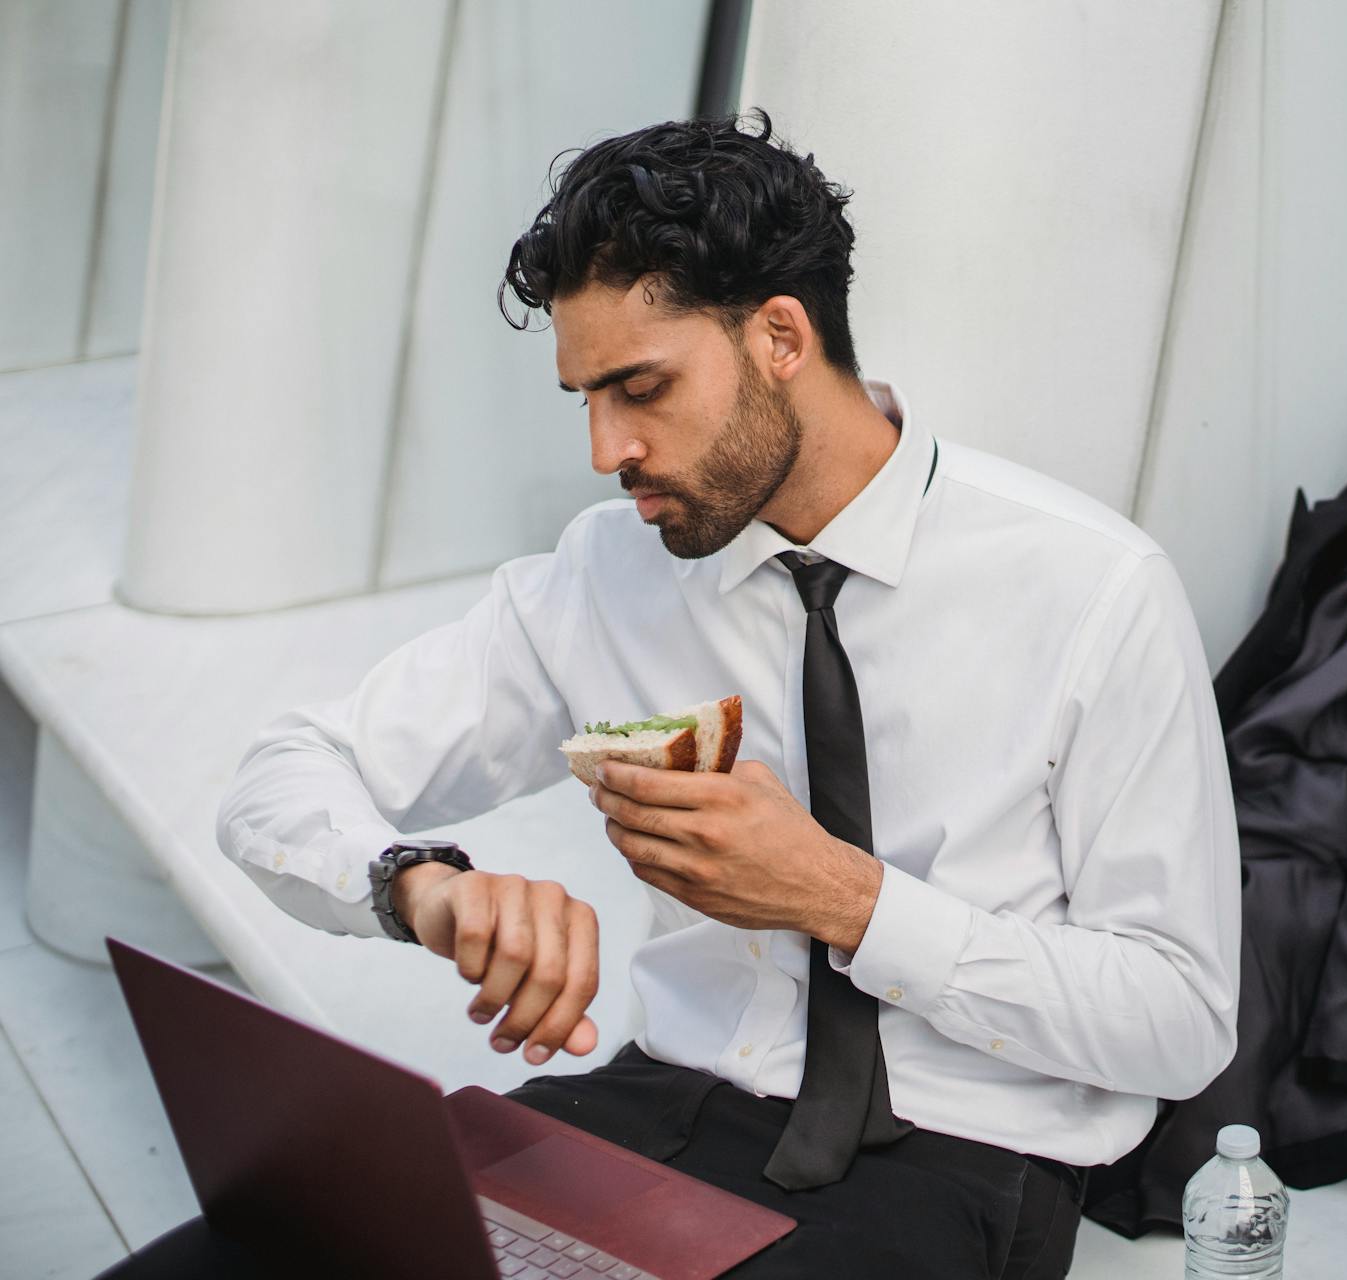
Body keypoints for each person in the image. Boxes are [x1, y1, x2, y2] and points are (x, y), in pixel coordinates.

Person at [214, 109, 1240, 1279]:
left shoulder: (1094, 589)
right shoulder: (608, 570)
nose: (607, 449)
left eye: (641, 387)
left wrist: (849, 899)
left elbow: (1180, 1016)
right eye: (585, 398)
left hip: (953, 1163)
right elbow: (282, 773)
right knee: (254, 1247)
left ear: (782, 338)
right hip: (654, 1105)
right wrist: (423, 890)